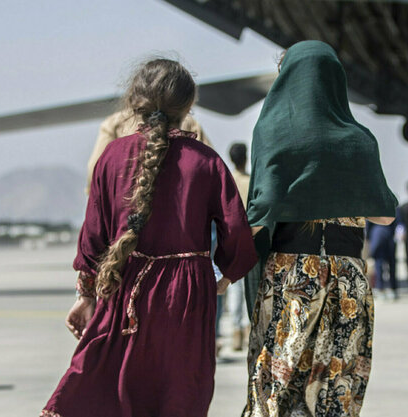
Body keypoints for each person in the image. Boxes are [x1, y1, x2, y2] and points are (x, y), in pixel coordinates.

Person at [41, 58, 257, 417]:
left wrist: (85, 297)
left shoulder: (111, 157)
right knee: (180, 393)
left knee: (116, 391)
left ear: (134, 102)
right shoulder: (206, 161)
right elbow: (237, 231)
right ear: (188, 106)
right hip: (187, 297)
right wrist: (224, 276)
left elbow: (93, 237)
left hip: (125, 289)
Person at [243, 40, 397, 417]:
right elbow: (386, 215)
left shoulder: (274, 132)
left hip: (291, 280)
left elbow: (260, 213)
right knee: (334, 396)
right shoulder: (360, 140)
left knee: (277, 392)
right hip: (348, 281)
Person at [84, 108, 211, 193]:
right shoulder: (187, 122)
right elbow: (211, 168)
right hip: (184, 216)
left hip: (127, 217)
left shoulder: (114, 123)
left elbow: (94, 172)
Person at [226, 142, 250, 350]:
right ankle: (247, 327)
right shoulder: (251, 182)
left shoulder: (228, 181)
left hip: (232, 239)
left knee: (235, 288)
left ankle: (236, 332)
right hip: (251, 238)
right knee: (249, 287)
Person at [366, 219, 398, 300]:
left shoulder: (372, 207)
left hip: (377, 235)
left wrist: (368, 238)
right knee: (391, 264)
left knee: (379, 264)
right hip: (389, 234)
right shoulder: (392, 207)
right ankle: (392, 288)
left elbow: (368, 223)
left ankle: (380, 288)